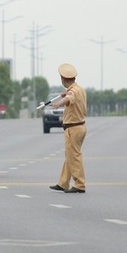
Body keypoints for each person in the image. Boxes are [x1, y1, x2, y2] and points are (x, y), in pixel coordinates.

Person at [49, 63, 88, 194]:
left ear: (62, 78)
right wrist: (63, 96)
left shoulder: (72, 91)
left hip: (74, 128)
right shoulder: (80, 89)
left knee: (74, 156)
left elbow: (69, 99)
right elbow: (70, 96)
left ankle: (80, 184)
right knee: (70, 156)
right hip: (80, 126)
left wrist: (57, 104)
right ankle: (63, 183)